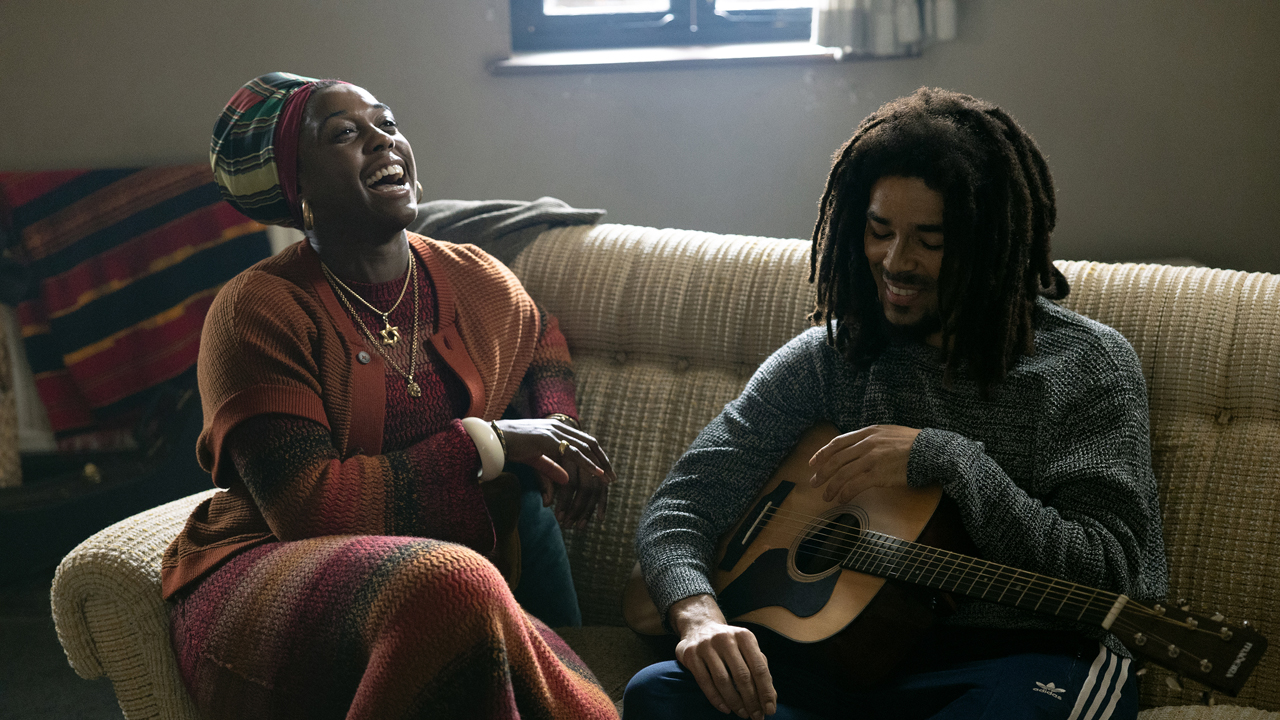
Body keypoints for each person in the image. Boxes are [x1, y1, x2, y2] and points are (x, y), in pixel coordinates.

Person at [624, 88, 1168, 720]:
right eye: (879, 232)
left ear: (992, 244)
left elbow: (1116, 571)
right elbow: (684, 503)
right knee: (658, 696)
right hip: (846, 665)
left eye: (929, 241)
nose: (895, 262)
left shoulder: (1086, 365)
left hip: (1027, 658)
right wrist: (697, 616)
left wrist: (952, 462)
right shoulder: (830, 357)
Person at [161, 72, 619, 720]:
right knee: (453, 582)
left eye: (387, 124)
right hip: (276, 578)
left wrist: (555, 429)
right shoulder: (257, 312)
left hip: (443, 582)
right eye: (346, 134)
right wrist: (493, 442)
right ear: (299, 186)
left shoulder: (469, 275)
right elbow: (310, 509)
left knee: (472, 567)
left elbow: (539, 329)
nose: (383, 140)